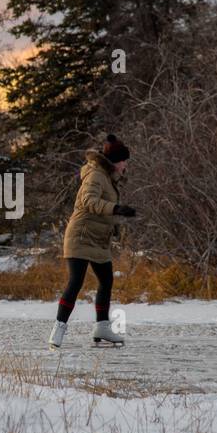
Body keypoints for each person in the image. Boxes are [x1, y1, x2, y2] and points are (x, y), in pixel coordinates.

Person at [49, 134, 137, 348]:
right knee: (76, 281)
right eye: (124, 161)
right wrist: (115, 208)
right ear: (116, 162)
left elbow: (103, 209)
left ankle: (102, 326)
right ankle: (58, 329)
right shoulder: (96, 175)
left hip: (97, 240)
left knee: (106, 281)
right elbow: (89, 201)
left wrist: (118, 218)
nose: (126, 165)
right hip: (80, 236)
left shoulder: (106, 178)